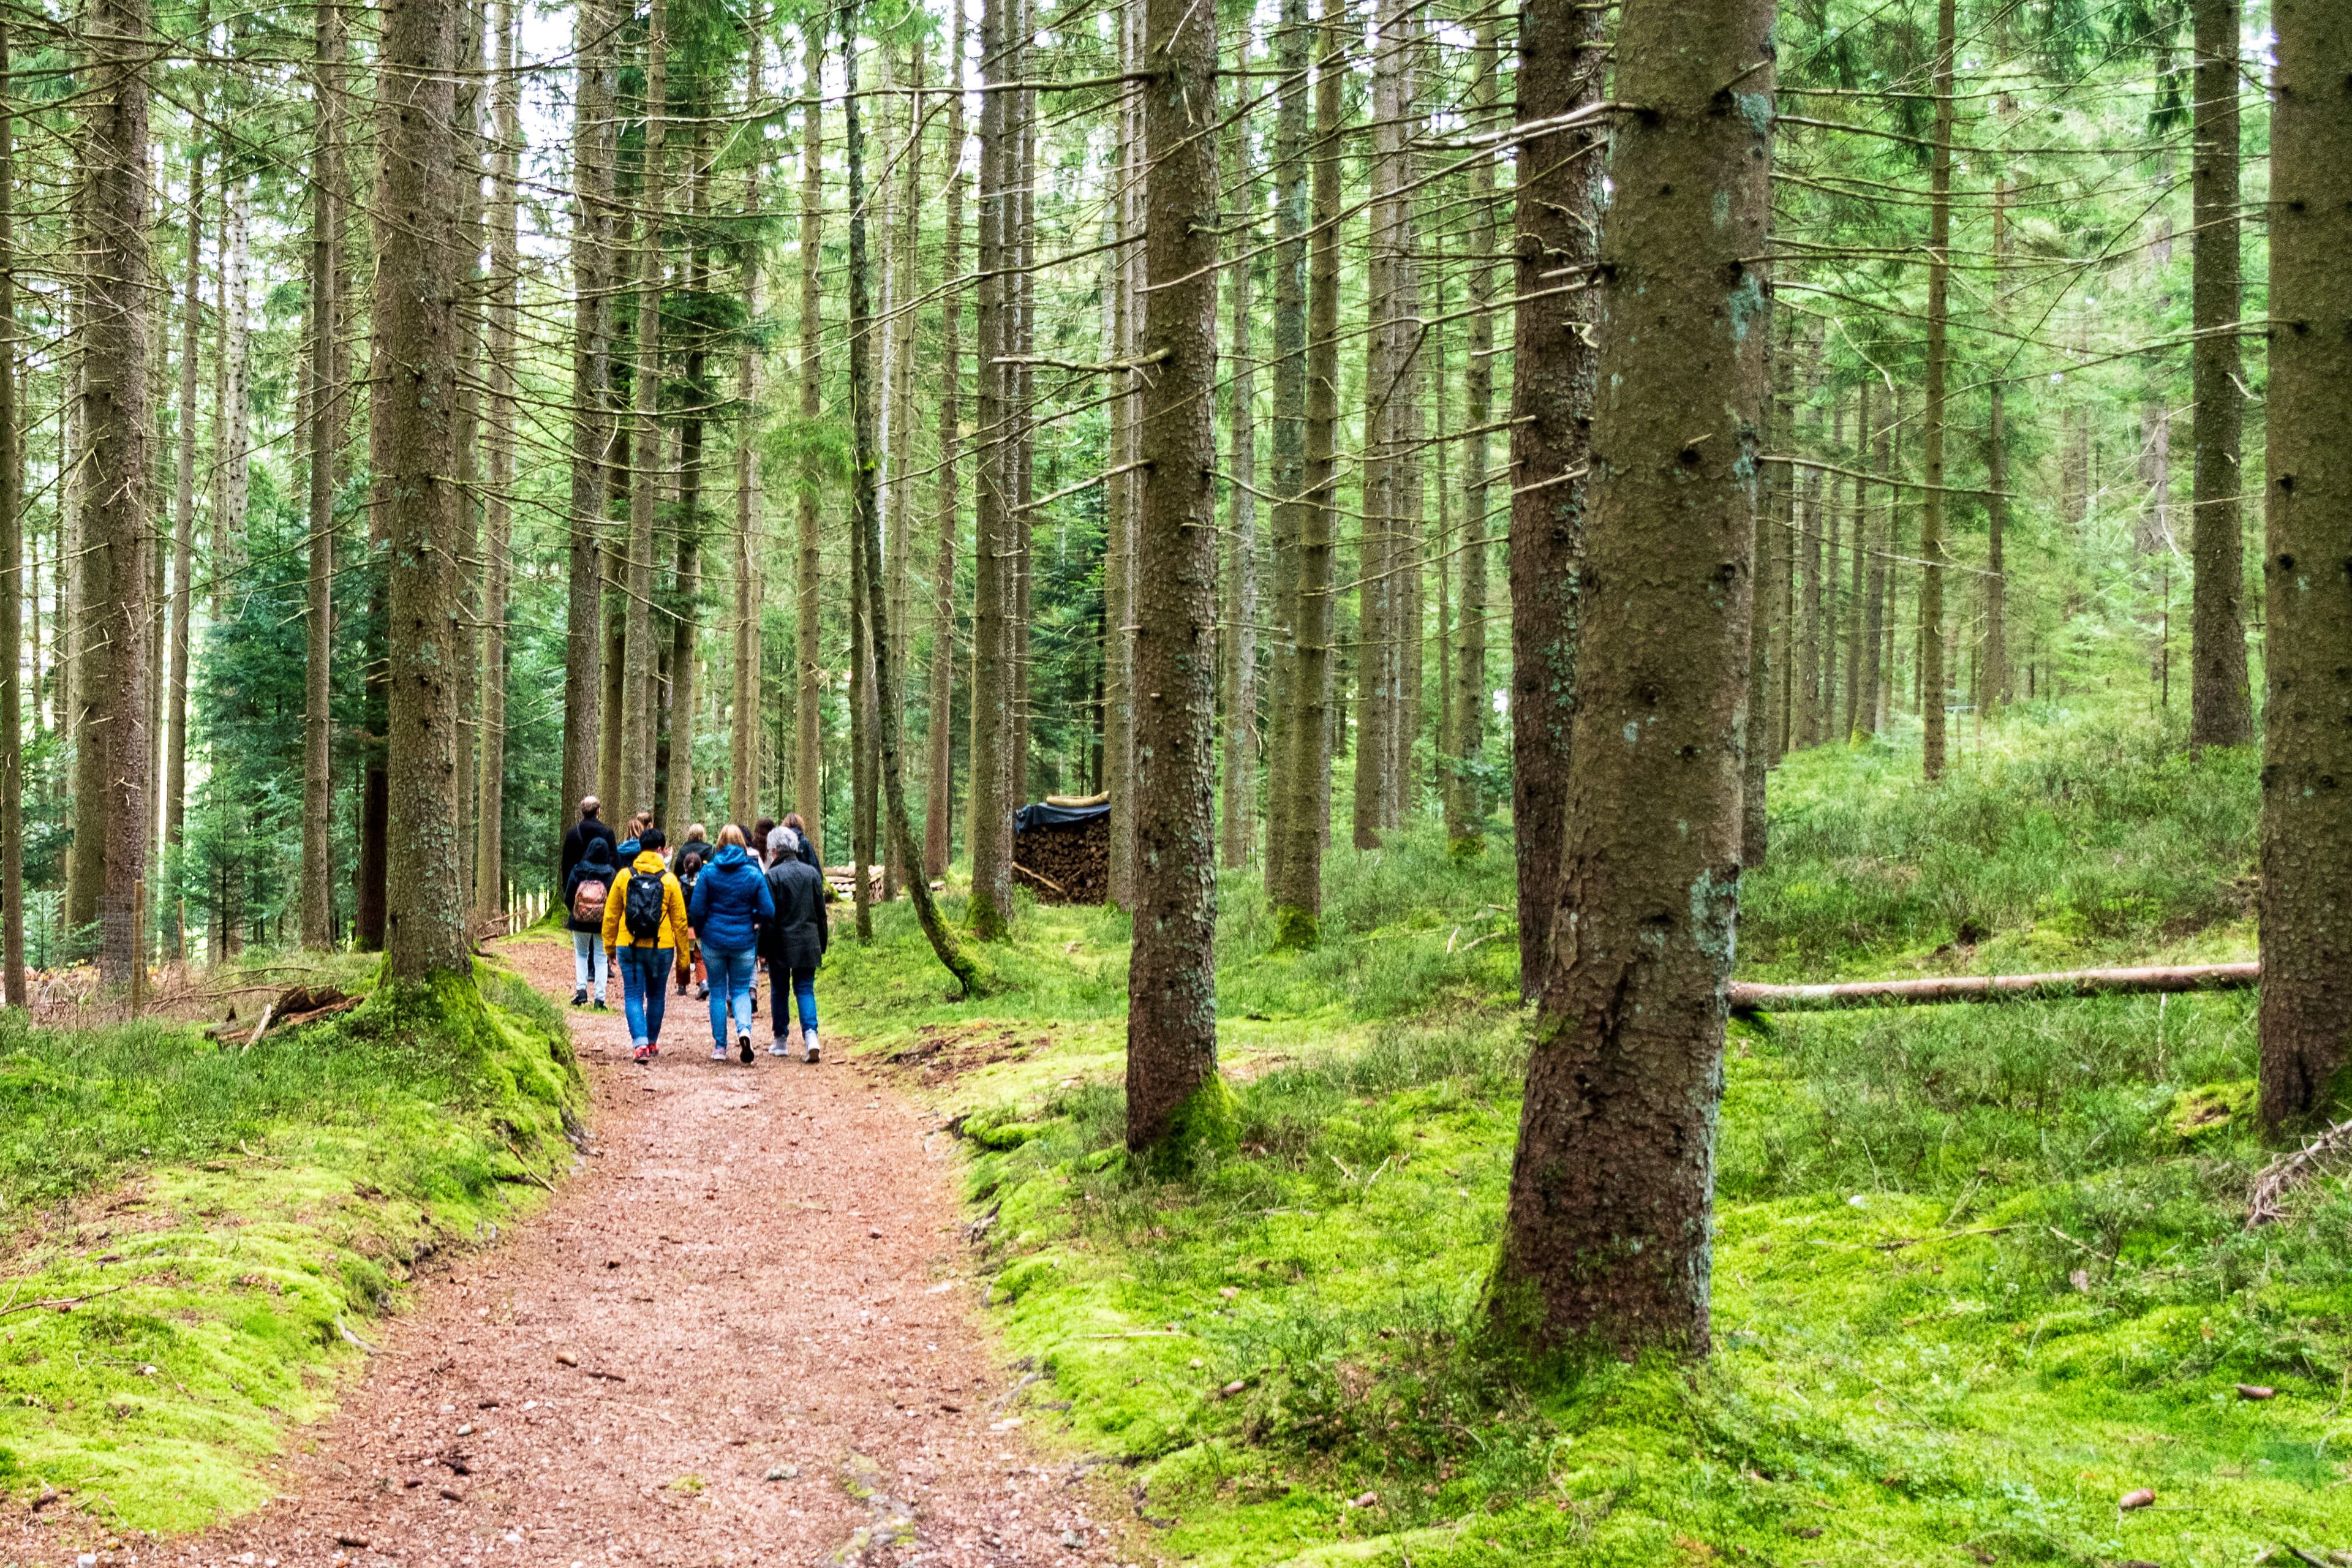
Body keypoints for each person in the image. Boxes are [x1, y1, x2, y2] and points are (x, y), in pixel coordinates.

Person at [602, 826, 690, 1064]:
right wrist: (684, 959)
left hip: (628, 945)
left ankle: (639, 1044)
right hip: (661, 947)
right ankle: (651, 1041)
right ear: (661, 850)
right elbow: (680, 923)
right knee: (656, 996)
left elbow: (611, 914)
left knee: (632, 995)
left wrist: (609, 946)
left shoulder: (624, 876)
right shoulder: (670, 881)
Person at [688, 824, 774, 1064]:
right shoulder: (753, 873)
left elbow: (696, 909)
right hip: (743, 942)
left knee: (717, 992)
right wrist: (752, 919)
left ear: (720, 843)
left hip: (714, 941)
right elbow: (768, 910)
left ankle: (719, 1047)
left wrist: (704, 929)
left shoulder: (709, 872)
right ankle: (744, 1030)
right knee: (740, 990)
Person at [761, 824, 829, 1061]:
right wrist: (822, 941)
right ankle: (811, 1036)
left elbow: (768, 917)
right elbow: (821, 914)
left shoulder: (772, 877)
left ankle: (780, 1040)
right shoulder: (811, 874)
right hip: (808, 942)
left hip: (780, 943)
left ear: (775, 851)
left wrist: (762, 949)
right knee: (805, 989)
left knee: (780, 990)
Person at [563, 834, 620, 1009]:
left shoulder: (579, 870)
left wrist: (575, 912)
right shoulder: (611, 873)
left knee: (581, 954)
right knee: (601, 958)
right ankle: (600, 1000)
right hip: (602, 922)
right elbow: (615, 901)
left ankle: (581, 991)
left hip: (580, 921)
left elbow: (569, 895)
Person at [674, 824, 714, 998]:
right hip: (699, 921)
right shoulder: (709, 851)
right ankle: (703, 981)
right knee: (700, 953)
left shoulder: (683, 851)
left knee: (683, 952)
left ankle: (682, 984)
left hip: (684, 920)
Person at [560, 796, 617, 891]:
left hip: (578, 886)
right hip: (603, 888)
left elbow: (566, 863)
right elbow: (615, 862)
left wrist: (567, 887)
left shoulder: (572, 833)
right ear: (598, 811)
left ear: (583, 811)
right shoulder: (607, 833)